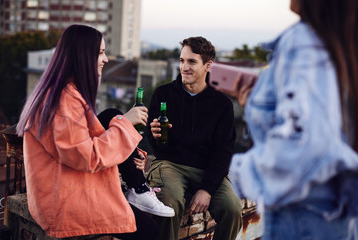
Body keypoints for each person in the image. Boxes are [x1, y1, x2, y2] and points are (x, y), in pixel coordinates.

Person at [16, 24, 173, 240]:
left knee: (111, 115)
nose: (106, 59)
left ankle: (138, 188)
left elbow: (87, 139)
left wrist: (128, 151)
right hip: (66, 201)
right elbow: (87, 156)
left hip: (67, 187)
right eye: (100, 53)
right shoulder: (64, 101)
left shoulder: (62, 92)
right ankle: (138, 190)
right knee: (150, 231)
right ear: (82, 56)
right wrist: (126, 123)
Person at [226, 0, 358, 239]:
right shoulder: (341, 43)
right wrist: (261, 105)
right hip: (336, 219)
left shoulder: (305, 42)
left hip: (301, 220)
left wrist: (239, 171)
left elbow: (307, 146)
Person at [147, 36, 242, 240]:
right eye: (182, 61)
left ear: (208, 65)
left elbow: (223, 151)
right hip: (170, 164)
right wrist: (155, 134)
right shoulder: (163, 94)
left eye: (192, 61)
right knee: (168, 204)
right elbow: (156, 145)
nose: (184, 67)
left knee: (232, 208)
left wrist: (206, 189)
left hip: (205, 168)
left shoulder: (221, 104)